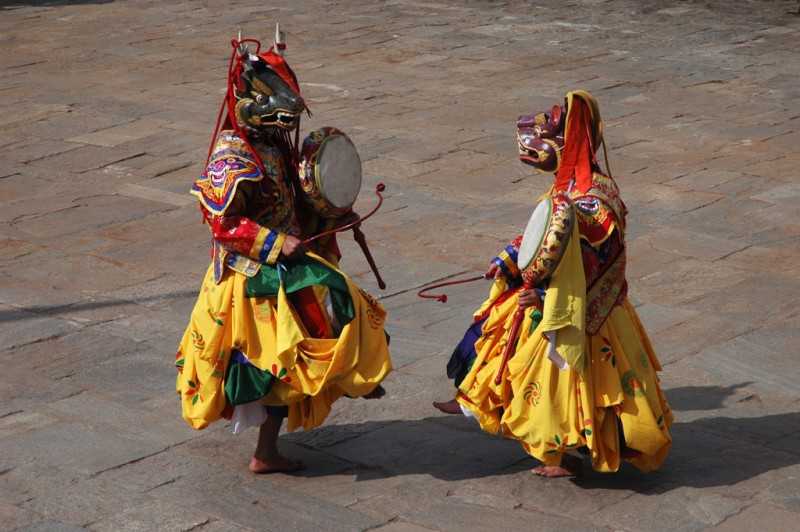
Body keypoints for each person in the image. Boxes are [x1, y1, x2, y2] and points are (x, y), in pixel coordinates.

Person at [176, 31, 392, 474]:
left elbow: (295, 202)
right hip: (251, 276)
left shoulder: (275, 145)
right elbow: (223, 224)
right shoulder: (232, 155)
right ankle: (345, 382)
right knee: (292, 351)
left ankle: (278, 441)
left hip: (287, 264)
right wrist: (274, 242)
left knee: (306, 343)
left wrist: (328, 219)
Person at [433, 90, 672, 477]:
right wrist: (507, 260)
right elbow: (540, 234)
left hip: (585, 309)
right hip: (551, 294)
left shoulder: (595, 199)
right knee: (500, 340)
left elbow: (595, 262)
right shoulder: (568, 186)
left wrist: (545, 297)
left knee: (567, 382)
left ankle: (559, 451)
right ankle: (477, 404)